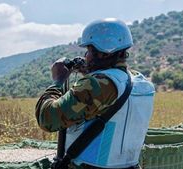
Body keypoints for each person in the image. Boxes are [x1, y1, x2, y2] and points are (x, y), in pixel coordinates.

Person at [35, 18, 155, 169]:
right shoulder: (140, 83)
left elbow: (47, 119)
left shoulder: (96, 85)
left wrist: (58, 81)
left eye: (89, 51)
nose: (86, 56)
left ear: (103, 54)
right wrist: (91, 72)